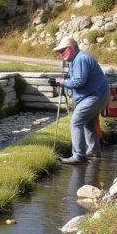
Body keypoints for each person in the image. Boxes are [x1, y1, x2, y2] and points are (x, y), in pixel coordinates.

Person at [49, 36, 110, 164]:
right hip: (98, 95)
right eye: (59, 53)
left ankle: (78, 156)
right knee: (88, 122)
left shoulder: (80, 59)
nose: (60, 55)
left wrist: (62, 82)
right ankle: (94, 152)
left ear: (70, 49)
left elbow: (79, 81)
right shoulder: (77, 59)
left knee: (76, 122)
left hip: (94, 96)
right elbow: (79, 78)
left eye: (62, 52)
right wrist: (64, 79)